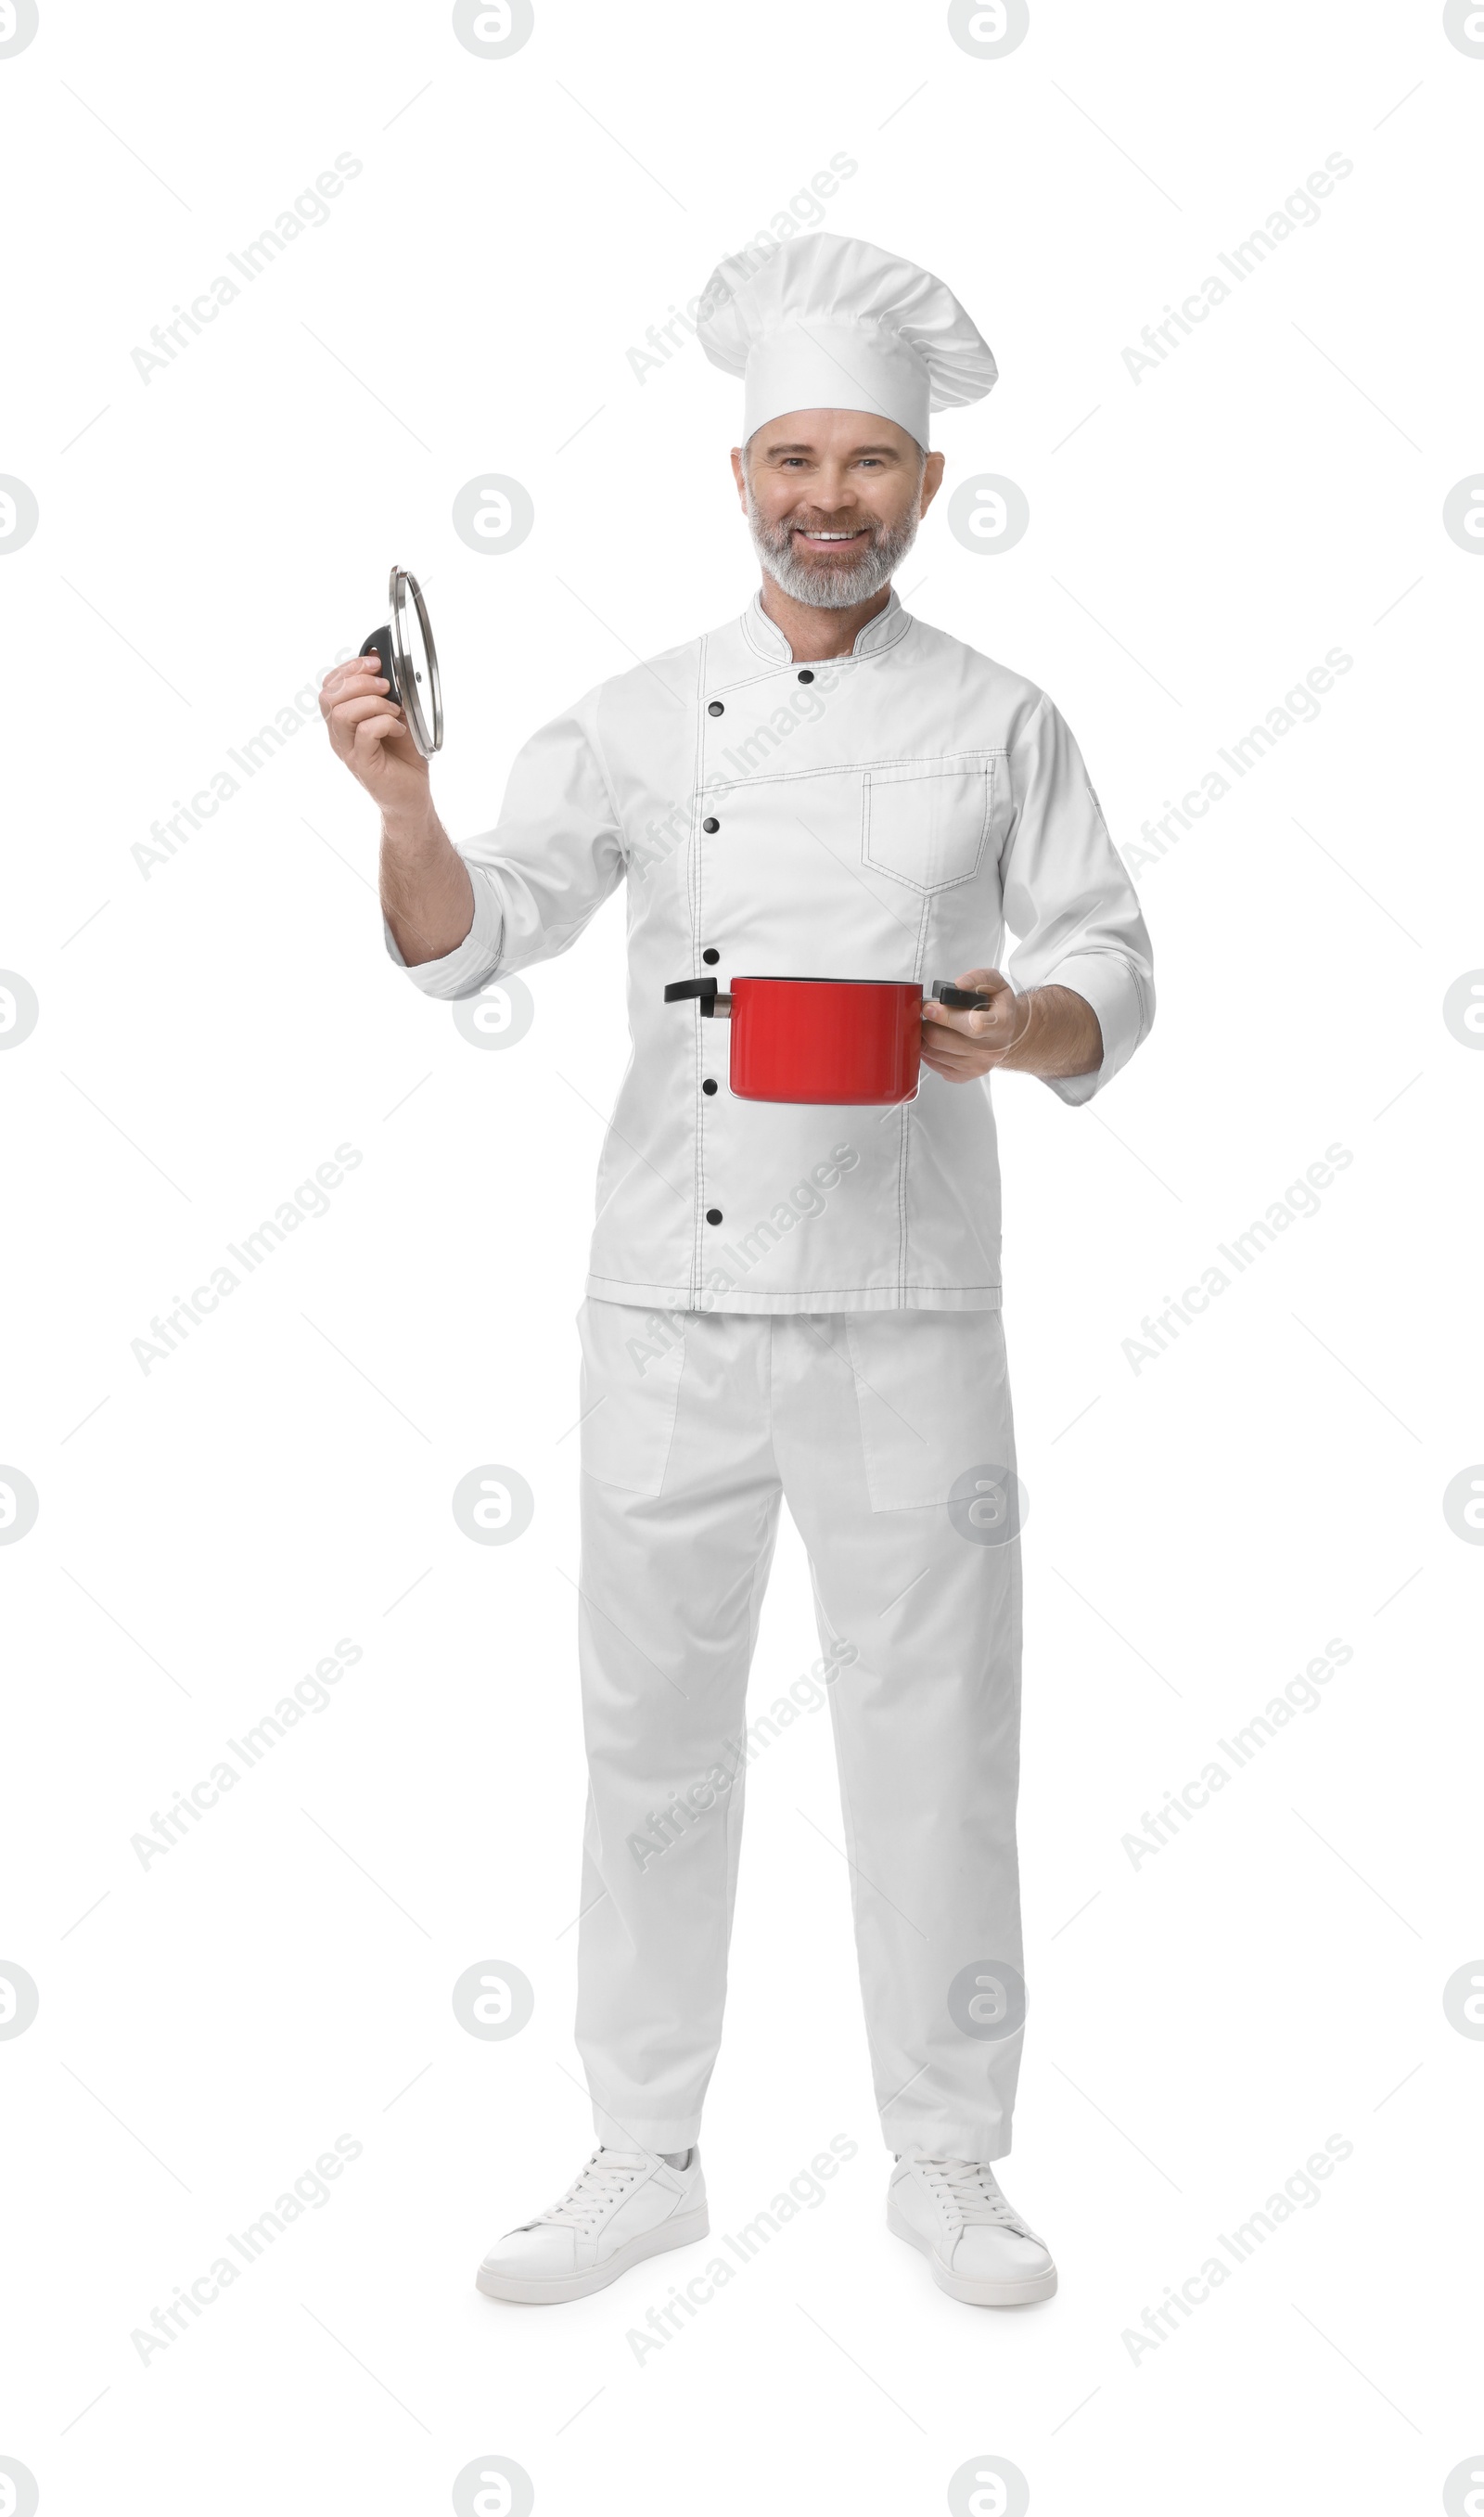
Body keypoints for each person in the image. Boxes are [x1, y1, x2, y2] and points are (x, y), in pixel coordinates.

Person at [319, 233, 1154, 2312]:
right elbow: (469, 934)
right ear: (737, 472)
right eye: (793, 452)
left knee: (938, 1730)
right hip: (666, 1308)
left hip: (908, 1304)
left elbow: (1108, 960)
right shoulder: (629, 716)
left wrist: (1013, 1027)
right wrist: (406, 799)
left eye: (869, 459)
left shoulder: (1002, 718)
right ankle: (639, 2148)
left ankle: (949, 2160)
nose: (828, 494)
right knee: (651, 1731)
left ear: (926, 489)